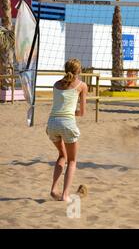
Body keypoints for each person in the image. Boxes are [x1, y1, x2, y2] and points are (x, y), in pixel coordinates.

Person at [46, 58, 88, 202]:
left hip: (51, 123)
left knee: (62, 155)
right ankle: (65, 195)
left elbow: (59, 106)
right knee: (72, 161)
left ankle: (53, 189)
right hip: (67, 124)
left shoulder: (56, 84)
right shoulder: (82, 85)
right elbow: (82, 113)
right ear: (79, 70)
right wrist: (72, 114)